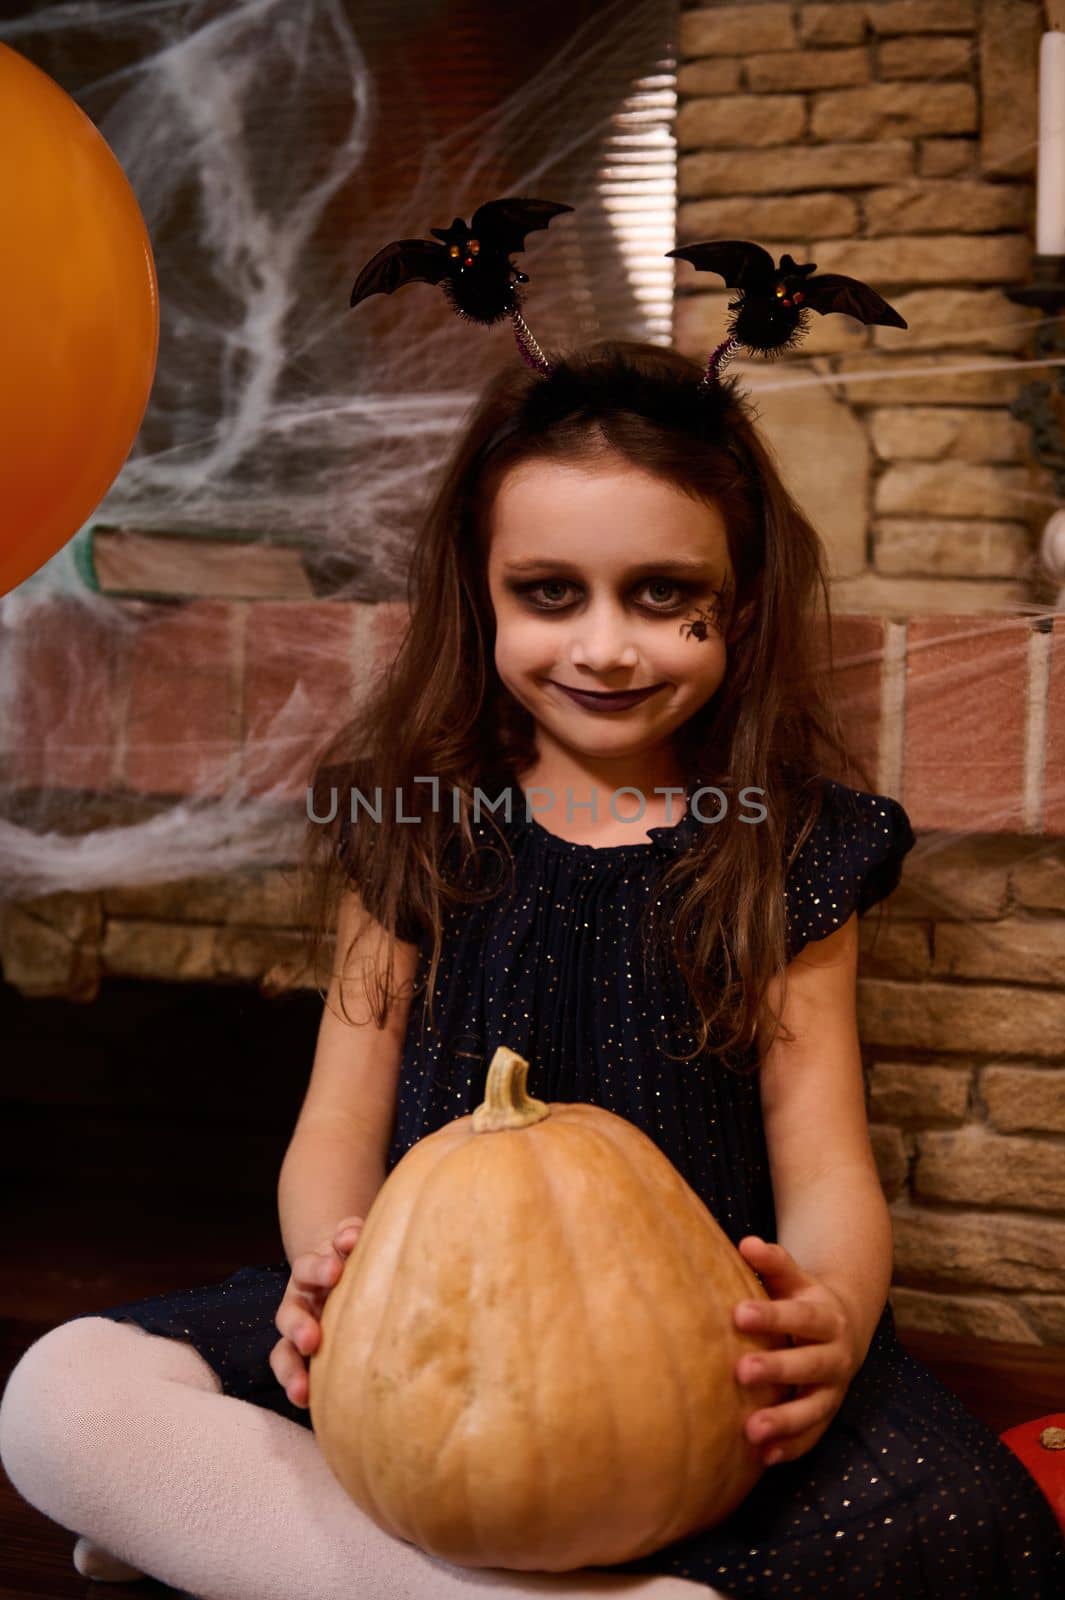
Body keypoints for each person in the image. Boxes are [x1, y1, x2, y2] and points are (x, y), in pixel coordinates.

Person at [3, 325, 1064, 1600]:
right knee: (62, 1394)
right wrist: (327, 1281)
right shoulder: (412, 823)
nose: (606, 646)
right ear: (482, 592)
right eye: (550, 593)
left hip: (689, 1368)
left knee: (954, 1522)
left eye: (665, 595)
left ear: (741, 602)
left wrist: (826, 1319)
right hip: (434, 1349)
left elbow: (826, 1152)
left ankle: (280, 1548)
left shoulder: (783, 849)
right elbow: (340, 1117)